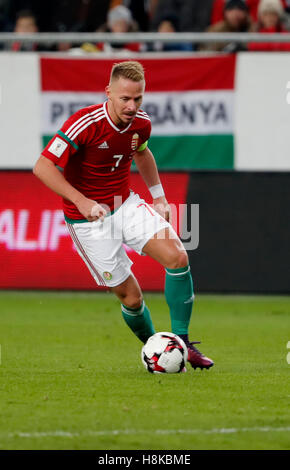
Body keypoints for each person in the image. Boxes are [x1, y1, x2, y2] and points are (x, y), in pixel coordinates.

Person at [33, 61, 214, 371]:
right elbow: (42, 167)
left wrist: (159, 196)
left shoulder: (141, 123)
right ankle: (156, 349)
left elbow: (142, 152)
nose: (132, 106)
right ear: (109, 93)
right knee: (131, 299)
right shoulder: (85, 123)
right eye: (125, 99)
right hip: (87, 219)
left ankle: (181, 345)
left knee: (177, 257)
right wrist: (82, 201)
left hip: (124, 203)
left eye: (138, 98)